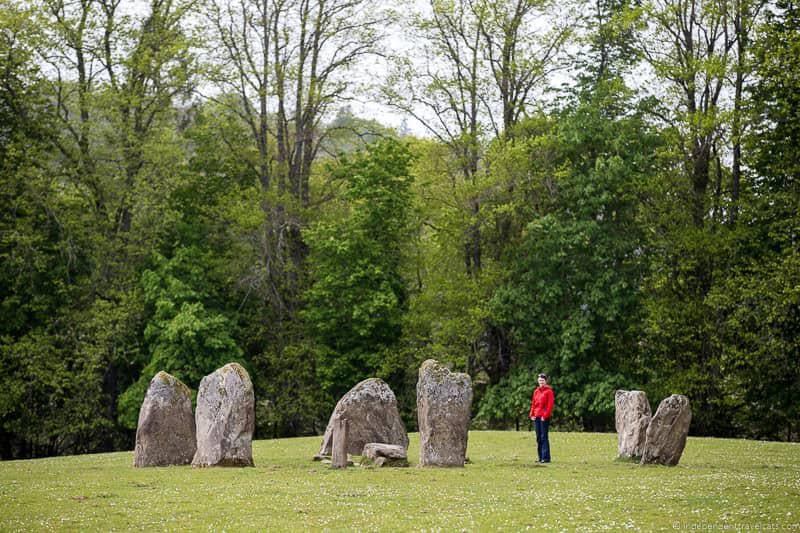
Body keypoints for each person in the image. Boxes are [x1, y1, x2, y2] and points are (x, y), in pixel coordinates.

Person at [529, 373, 554, 463]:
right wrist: (531, 414)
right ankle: (540, 457)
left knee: (544, 437)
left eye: (542, 381)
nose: (541, 382)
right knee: (538, 437)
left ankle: (546, 458)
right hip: (536, 416)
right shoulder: (536, 391)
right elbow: (533, 404)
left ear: (545, 381)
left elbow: (550, 405)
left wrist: (545, 415)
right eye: (539, 381)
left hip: (544, 417)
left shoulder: (549, 391)